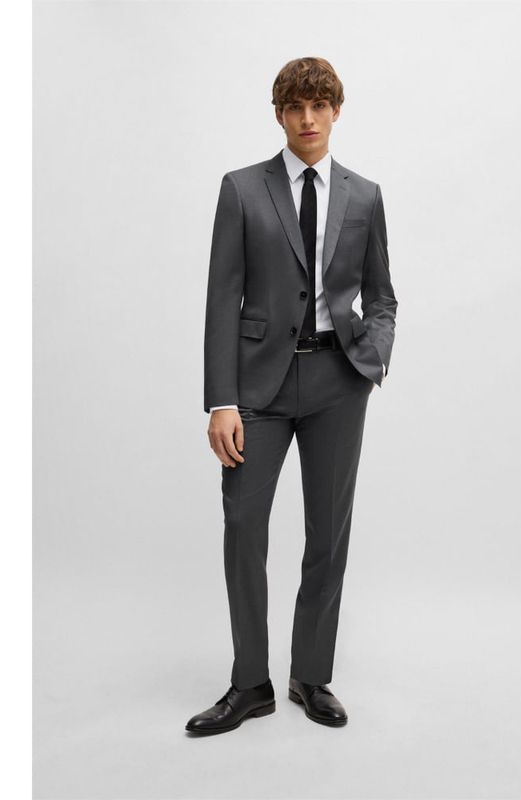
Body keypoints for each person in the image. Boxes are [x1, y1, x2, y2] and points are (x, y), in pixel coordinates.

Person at [186, 56, 397, 735]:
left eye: (319, 106)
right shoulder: (242, 189)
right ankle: (250, 683)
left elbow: (382, 295)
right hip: (258, 387)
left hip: (339, 382)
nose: (308, 119)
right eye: (295, 107)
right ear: (279, 114)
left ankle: (311, 674)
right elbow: (222, 298)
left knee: (327, 535)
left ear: (336, 111)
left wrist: (373, 357)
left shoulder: (365, 196)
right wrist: (221, 400)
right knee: (244, 528)